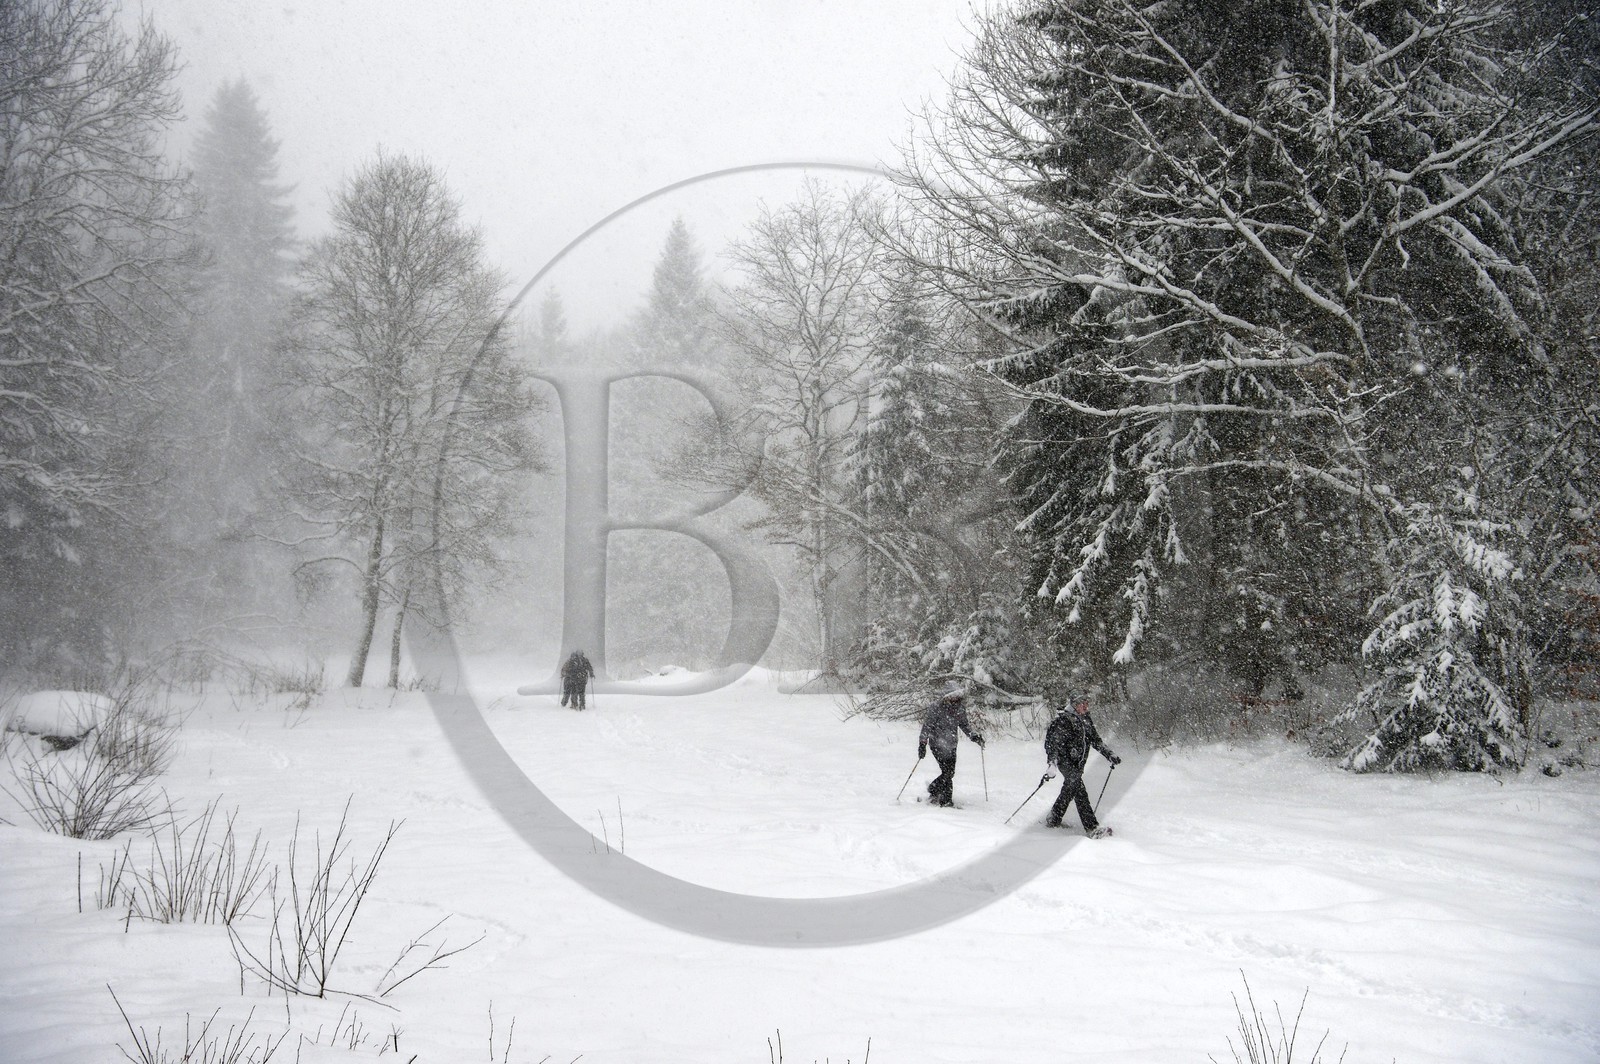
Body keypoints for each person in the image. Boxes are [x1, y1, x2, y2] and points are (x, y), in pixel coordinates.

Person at [1043, 690, 1121, 837]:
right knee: (1079, 791)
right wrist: (1052, 764)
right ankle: (1092, 828)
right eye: (1082, 704)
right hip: (1065, 762)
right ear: (1074, 705)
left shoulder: (1086, 720)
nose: (1086, 706)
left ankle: (1053, 818)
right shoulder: (1064, 721)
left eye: (1087, 703)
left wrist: (1109, 754)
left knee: (1069, 789)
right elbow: (1054, 745)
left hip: (1078, 764)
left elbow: (1096, 741)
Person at [918, 680, 985, 807]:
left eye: (957, 696)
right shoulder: (936, 707)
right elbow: (927, 727)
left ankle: (934, 788)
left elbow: (964, 725)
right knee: (947, 772)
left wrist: (974, 737)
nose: (955, 698)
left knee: (950, 772)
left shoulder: (959, 708)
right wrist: (922, 744)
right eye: (953, 696)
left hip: (952, 744)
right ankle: (946, 801)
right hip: (937, 743)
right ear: (947, 696)